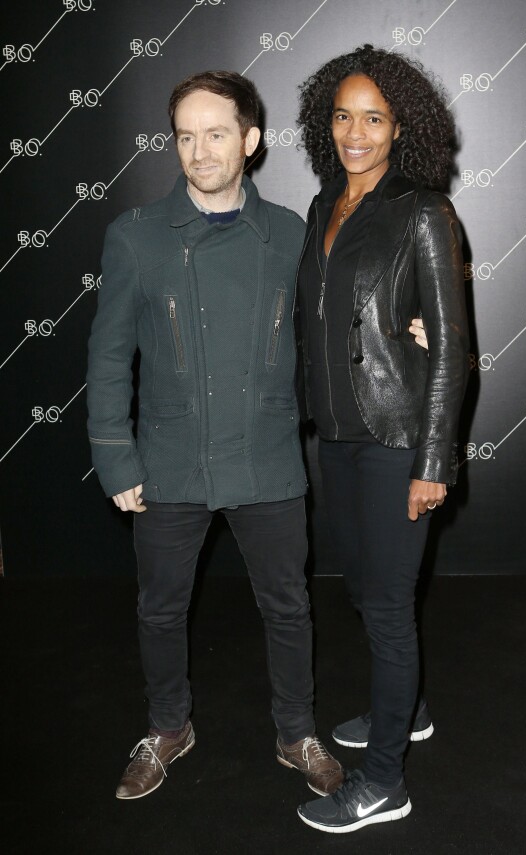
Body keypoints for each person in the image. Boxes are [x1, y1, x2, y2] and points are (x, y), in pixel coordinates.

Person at [86, 70, 346, 801]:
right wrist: (115, 455)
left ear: (251, 140)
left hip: (267, 457)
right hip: (169, 461)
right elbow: (108, 356)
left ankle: (296, 731)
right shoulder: (135, 238)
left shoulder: (292, 233)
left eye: (217, 133)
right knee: (160, 608)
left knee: (288, 606)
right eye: (186, 136)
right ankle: (169, 726)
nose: (199, 151)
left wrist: (404, 335)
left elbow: (325, 332)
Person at [293, 45, 469, 833]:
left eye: (373, 118)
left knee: (389, 608)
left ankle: (385, 780)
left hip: (396, 439)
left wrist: (433, 461)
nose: (355, 132)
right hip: (338, 436)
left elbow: (454, 349)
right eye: (342, 115)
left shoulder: (424, 212)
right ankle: (410, 708)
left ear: (402, 127)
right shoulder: (322, 203)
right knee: (365, 590)